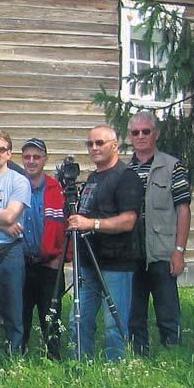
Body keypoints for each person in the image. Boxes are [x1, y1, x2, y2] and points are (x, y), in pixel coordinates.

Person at [67, 125, 143, 361]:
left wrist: (91, 224)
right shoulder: (93, 177)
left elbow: (128, 221)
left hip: (116, 263)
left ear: (115, 145)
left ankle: (115, 371)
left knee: (114, 323)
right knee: (78, 319)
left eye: (100, 143)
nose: (94, 148)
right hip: (89, 261)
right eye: (90, 144)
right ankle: (81, 365)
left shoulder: (126, 177)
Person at [126, 110, 191, 356]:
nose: (141, 136)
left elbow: (183, 210)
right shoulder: (125, 170)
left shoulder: (173, 166)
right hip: (132, 253)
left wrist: (179, 251)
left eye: (146, 131)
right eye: (135, 132)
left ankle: (173, 358)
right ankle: (139, 357)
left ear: (156, 134)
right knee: (135, 313)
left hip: (163, 251)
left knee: (167, 311)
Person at [0, 130, 31, 373]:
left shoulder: (18, 180)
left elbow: (12, 214)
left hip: (10, 252)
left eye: (0, 149)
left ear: (9, 153)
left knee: (13, 312)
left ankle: (15, 363)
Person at [18, 138, 66, 360]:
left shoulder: (58, 189)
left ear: (45, 159)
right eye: (27, 157)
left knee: (51, 318)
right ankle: (17, 358)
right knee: (21, 315)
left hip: (50, 264)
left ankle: (54, 359)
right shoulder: (16, 186)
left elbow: (69, 226)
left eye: (36, 157)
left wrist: (63, 258)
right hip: (22, 264)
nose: (31, 161)